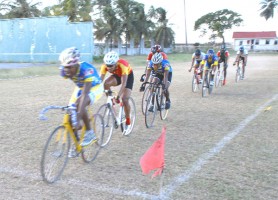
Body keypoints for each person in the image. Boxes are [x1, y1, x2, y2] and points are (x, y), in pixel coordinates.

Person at [59, 47, 103, 150]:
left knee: (80, 104)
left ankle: (89, 132)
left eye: (70, 67)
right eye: (65, 67)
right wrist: (74, 118)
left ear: (76, 64)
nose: (67, 70)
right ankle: (77, 144)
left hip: (94, 87)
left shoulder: (86, 69)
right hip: (80, 87)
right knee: (70, 115)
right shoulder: (64, 71)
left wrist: (78, 118)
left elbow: (84, 95)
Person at [100, 51, 134, 131]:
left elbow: (124, 83)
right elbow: (100, 81)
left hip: (127, 76)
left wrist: (118, 96)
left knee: (125, 99)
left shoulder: (123, 65)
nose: (108, 68)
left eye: (111, 66)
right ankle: (111, 103)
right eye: (107, 65)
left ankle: (128, 121)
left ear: (116, 63)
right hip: (117, 75)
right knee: (106, 84)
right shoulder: (104, 66)